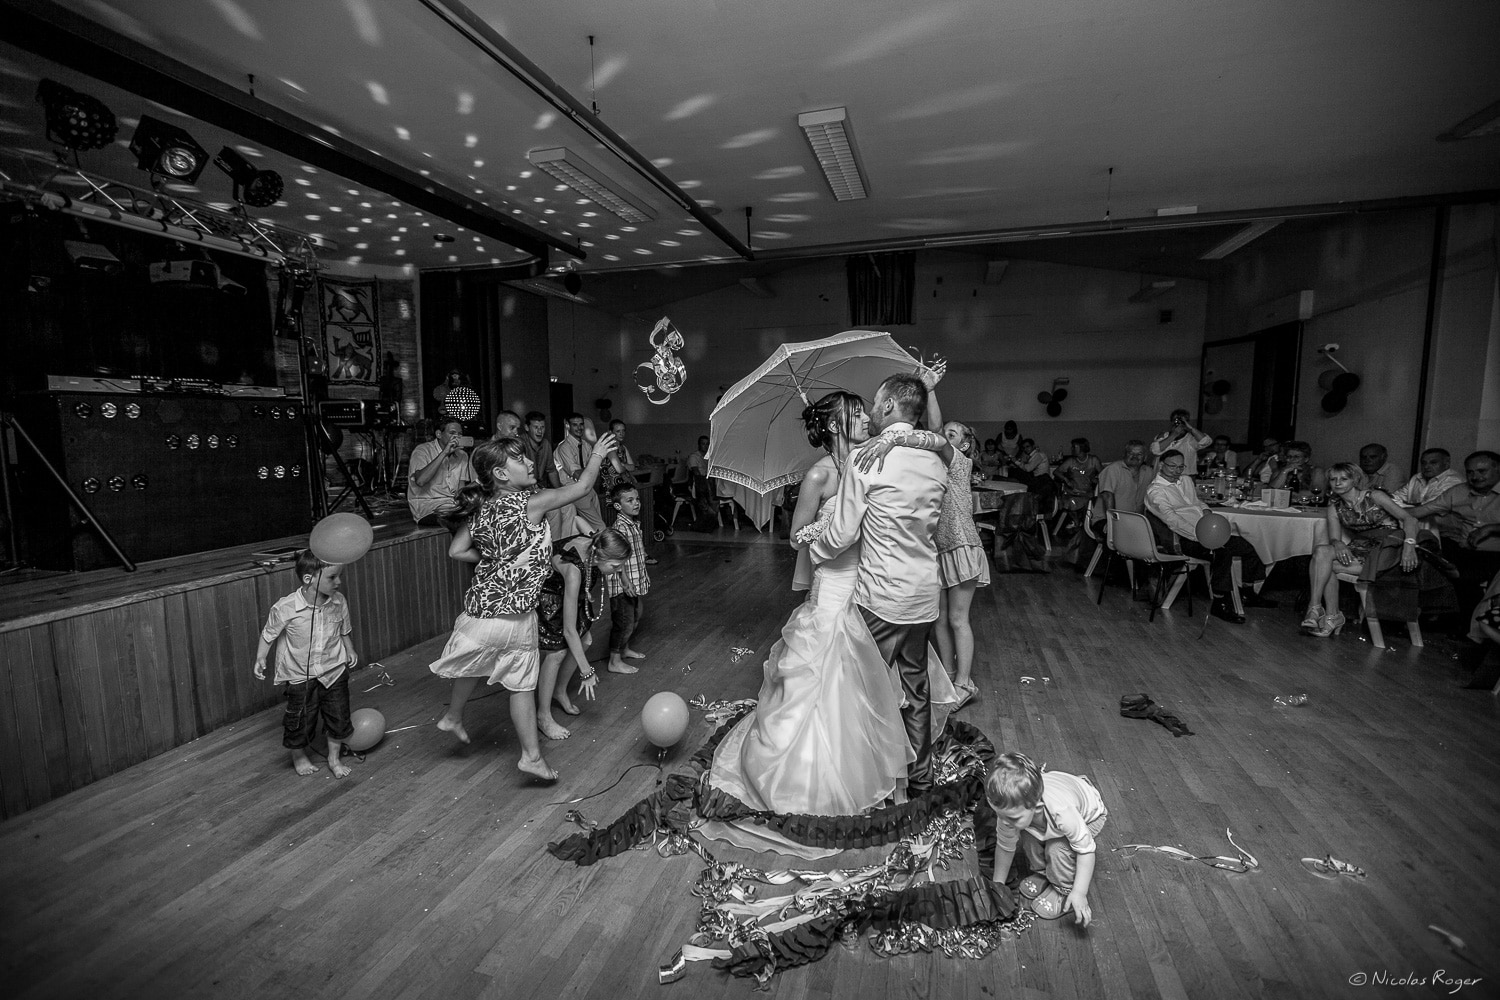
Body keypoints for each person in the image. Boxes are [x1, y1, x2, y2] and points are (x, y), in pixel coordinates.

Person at [705, 389, 952, 825]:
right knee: (842, 685)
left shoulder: (871, 458)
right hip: (842, 585)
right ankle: (848, 771)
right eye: (855, 415)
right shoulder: (819, 476)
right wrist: (827, 532)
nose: (865, 420)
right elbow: (796, 534)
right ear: (836, 425)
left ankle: (882, 767)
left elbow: (935, 443)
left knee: (872, 685)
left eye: (866, 411)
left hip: (871, 588)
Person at [428, 431, 618, 781]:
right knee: (520, 686)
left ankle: (455, 717)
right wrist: (597, 455)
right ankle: (529, 755)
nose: (531, 463)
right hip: (513, 615)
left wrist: (498, 560)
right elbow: (579, 489)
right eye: (520, 459)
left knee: (483, 668)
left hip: (480, 615)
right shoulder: (529, 503)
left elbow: (457, 551)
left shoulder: (482, 508)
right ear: (501, 474)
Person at [813, 374, 950, 794]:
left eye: (875, 402)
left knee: (862, 688)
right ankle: (921, 780)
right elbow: (945, 442)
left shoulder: (864, 458)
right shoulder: (936, 459)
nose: (870, 409)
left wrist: (815, 549)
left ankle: (865, 777)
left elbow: (843, 534)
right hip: (924, 596)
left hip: (882, 598)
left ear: (889, 405)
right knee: (916, 689)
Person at [253, 550, 358, 779]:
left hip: (334, 670)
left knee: (338, 716)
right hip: (300, 675)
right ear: (308, 579)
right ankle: (299, 756)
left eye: (339, 576)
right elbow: (268, 634)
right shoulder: (285, 607)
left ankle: (333, 758)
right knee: (300, 719)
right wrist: (261, 657)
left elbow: (343, 629)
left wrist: (349, 649)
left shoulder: (339, 602)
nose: (338, 582)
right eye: (332, 578)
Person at [1145, 449, 1268, 624]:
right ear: (1161, 465)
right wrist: (1199, 536)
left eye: (1181, 466)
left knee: (1246, 545)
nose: (1177, 470)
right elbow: (1172, 520)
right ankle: (1220, 602)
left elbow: (1196, 502)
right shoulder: (1155, 491)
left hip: (1205, 530)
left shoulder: (1186, 480)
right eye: (1172, 466)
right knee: (1222, 552)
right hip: (1182, 539)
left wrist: (1206, 512)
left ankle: (1248, 592)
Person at [986, 752, 1107, 927]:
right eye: (999, 815)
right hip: (1062, 793)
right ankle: (1045, 874)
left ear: (1037, 807)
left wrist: (1079, 892)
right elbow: (1005, 847)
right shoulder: (1010, 812)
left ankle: (1062, 890)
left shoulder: (1063, 813)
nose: (1004, 822)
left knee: (1057, 848)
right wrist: (998, 885)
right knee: (1028, 837)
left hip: (1090, 815)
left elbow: (1087, 851)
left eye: (1012, 818)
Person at [1302, 462, 1422, 637]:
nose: (1338, 483)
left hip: (1387, 548)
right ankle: (1316, 608)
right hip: (1361, 547)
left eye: (1343, 479)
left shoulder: (1375, 496)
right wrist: (1338, 543)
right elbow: (1334, 538)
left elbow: (1410, 519)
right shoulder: (1334, 506)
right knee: (1322, 552)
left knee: (1323, 566)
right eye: (1333, 479)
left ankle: (1328, 614)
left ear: (1355, 479)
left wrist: (1409, 547)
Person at [534, 528, 632, 741]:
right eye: (615, 567)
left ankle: (559, 691)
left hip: (572, 589)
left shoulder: (597, 548)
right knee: (556, 652)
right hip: (549, 592)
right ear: (599, 556)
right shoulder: (574, 571)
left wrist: (622, 576)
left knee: (585, 639)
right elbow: (569, 631)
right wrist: (586, 671)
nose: (618, 571)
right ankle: (543, 715)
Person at [1408, 450, 1500, 606]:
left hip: (1495, 554)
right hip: (1466, 550)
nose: (1475, 477)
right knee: (1426, 549)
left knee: (1461, 574)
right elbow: (1420, 511)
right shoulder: (1458, 491)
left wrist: (1490, 528)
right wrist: (1381, 507)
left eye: (1482, 471)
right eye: (1470, 472)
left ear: (1498, 469)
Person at [604, 482, 650, 675]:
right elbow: (616, 558)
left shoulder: (633, 524)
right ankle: (614, 661)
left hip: (634, 579)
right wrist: (625, 580)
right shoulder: (620, 528)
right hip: (623, 583)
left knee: (635, 616)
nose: (636, 503)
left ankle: (624, 648)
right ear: (618, 506)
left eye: (637, 499)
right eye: (629, 500)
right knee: (623, 622)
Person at [407, 419, 474, 523]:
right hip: (427, 507)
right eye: (452, 433)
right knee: (460, 519)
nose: (457, 437)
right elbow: (420, 481)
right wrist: (444, 453)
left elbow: (460, 489)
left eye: (460, 434)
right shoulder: (422, 450)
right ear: (439, 434)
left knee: (481, 513)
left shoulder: (462, 455)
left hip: (452, 505)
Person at [555, 413, 607, 532]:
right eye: (575, 425)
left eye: (581, 424)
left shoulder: (586, 446)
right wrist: (592, 469)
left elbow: (596, 472)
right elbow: (579, 475)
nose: (579, 428)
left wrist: (592, 470)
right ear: (568, 426)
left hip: (589, 489)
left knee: (596, 523)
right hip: (573, 490)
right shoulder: (564, 448)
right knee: (599, 527)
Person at [1096, 440, 1152, 520]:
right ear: (1124, 455)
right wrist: (1112, 520)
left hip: (1136, 520)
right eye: (1131, 453)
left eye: (1139, 454)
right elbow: (1107, 495)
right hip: (1107, 519)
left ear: (1145, 457)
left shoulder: (1149, 472)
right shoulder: (1113, 469)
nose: (1135, 456)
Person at [1392, 448, 1464, 507]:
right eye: (1423, 463)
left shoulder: (1453, 481)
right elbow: (1396, 497)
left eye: (1433, 463)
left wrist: (1393, 505)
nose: (1426, 466)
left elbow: (1428, 508)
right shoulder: (1417, 477)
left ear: (1446, 464)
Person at [1151, 408, 1211, 473]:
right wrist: (1174, 435)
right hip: (1163, 477)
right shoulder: (1163, 436)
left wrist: (1190, 428)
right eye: (1176, 420)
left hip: (1184, 477)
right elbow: (1155, 450)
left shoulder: (1191, 438)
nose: (1179, 423)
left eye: (1182, 420)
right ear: (1171, 422)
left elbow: (1206, 441)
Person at [1054, 437, 1102, 510]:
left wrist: (1096, 479)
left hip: (1087, 493)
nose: (1072, 449)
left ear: (1082, 448)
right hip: (1072, 492)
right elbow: (1056, 472)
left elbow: (1104, 474)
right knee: (1069, 503)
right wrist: (1066, 480)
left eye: (1074, 447)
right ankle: (1075, 521)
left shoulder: (1093, 460)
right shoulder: (1071, 461)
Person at [520, 411, 560, 490]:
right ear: (527, 428)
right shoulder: (520, 443)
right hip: (524, 489)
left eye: (542, 427)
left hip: (541, 488)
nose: (540, 431)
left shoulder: (546, 444)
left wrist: (559, 491)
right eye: (536, 427)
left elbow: (551, 471)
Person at [599, 418, 638, 498]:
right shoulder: (609, 448)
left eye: (623, 431)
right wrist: (625, 466)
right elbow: (619, 469)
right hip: (612, 489)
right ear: (610, 432)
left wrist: (623, 465)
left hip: (624, 487)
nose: (621, 433)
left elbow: (632, 467)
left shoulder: (623, 447)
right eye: (618, 431)